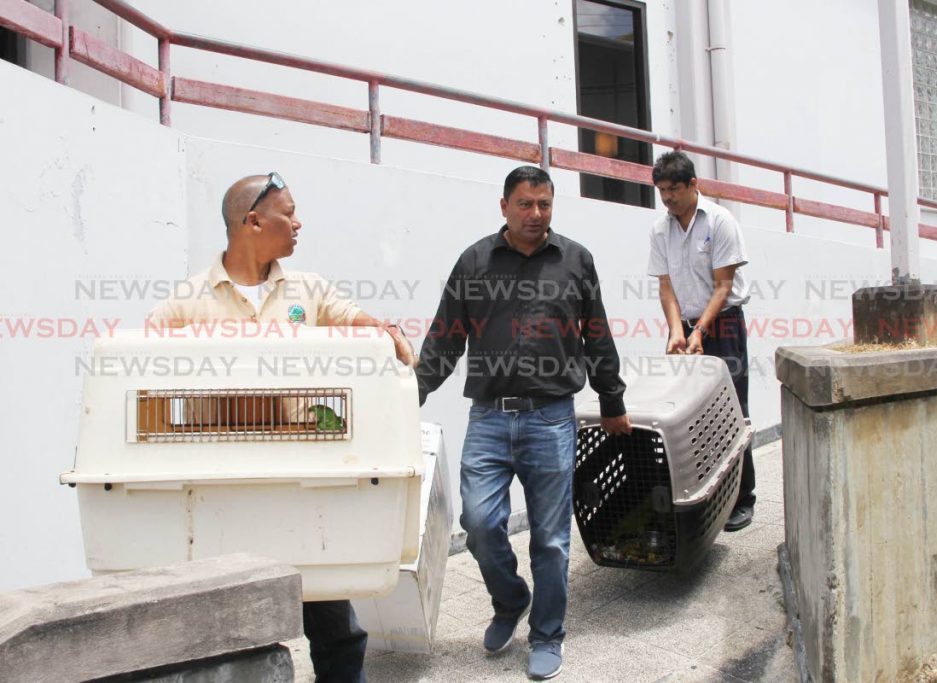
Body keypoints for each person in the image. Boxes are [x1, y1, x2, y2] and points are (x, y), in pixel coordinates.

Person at [150, 171, 415, 683]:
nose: (298, 223)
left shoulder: (308, 291)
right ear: (252, 221)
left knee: (335, 625)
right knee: (222, 627)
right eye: (287, 213)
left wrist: (386, 332)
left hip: (302, 482)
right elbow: (142, 377)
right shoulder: (187, 304)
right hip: (221, 488)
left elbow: (353, 319)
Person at [416, 166, 631, 680]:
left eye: (545, 205)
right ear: (504, 207)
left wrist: (611, 398)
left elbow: (596, 333)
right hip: (489, 417)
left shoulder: (576, 260)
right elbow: (445, 337)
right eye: (526, 205)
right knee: (479, 522)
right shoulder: (475, 261)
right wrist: (411, 396)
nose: (536, 215)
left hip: (552, 419)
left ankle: (547, 633)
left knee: (551, 539)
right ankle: (510, 600)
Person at [647, 150, 755, 532]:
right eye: (662, 191)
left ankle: (743, 498)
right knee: (692, 413)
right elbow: (666, 286)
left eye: (674, 189)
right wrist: (677, 330)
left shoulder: (720, 222)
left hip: (722, 327)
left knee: (731, 410)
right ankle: (708, 494)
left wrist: (700, 331)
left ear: (694, 185)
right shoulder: (661, 230)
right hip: (688, 328)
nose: (668, 198)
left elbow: (723, 286)